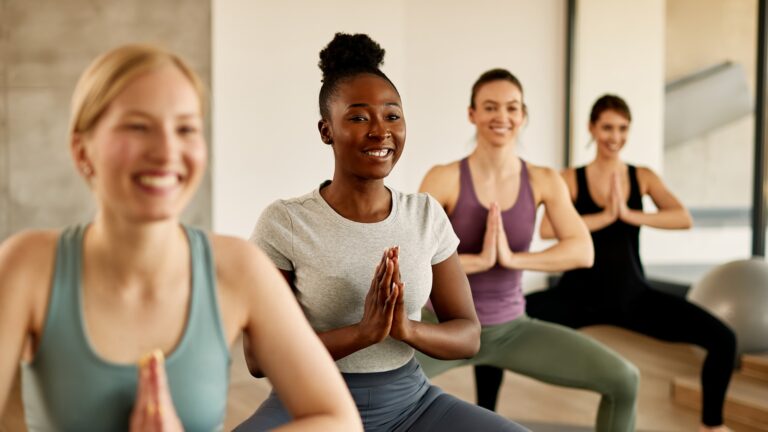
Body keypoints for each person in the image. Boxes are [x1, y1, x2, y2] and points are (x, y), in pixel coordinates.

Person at [0, 44, 361, 432]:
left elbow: (338, 421)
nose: (167, 150)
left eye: (186, 128)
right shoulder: (28, 265)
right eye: (137, 126)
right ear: (81, 149)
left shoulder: (239, 268)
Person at [237, 34, 527, 432]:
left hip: (412, 403)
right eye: (358, 117)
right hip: (309, 403)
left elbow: (467, 334)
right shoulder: (285, 222)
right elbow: (258, 358)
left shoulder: (425, 214)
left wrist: (405, 329)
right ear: (326, 131)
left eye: (392, 116)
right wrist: (362, 334)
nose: (380, 130)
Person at [417, 69, 639, 432]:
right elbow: (413, 256)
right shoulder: (444, 177)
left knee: (624, 380)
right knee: (357, 389)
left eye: (511, 108)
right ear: (472, 114)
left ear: (523, 116)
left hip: (511, 329)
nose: (501, 117)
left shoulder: (541, 180)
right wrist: (476, 262)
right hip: (442, 328)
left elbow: (582, 251)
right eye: (489, 107)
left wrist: (513, 259)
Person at [523, 94, 737, 432]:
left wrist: (629, 215)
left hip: (632, 297)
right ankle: (487, 413)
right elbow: (548, 229)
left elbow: (682, 217)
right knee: (495, 321)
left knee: (724, 339)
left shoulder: (643, 177)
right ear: (592, 128)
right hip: (576, 297)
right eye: (607, 127)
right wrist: (606, 216)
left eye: (623, 128)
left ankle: (712, 426)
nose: (615, 136)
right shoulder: (569, 179)